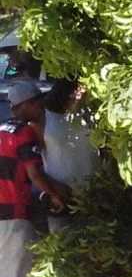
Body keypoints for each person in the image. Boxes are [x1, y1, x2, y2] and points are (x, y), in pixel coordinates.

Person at [0, 81, 68, 277]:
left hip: (3, 212)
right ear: (26, 105)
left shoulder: (3, 130)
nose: (42, 107)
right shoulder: (22, 133)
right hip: (12, 213)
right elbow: (35, 175)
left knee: (30, 267)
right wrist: (57, 195)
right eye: (38, 102)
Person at [41, 79, 100, 234]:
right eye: (78, 93)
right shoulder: (44, 118)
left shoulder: (91, 116)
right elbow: (32, 163)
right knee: (62, 243)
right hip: (62, 195)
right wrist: (52, 189)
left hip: (94, 193)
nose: (82, 97)